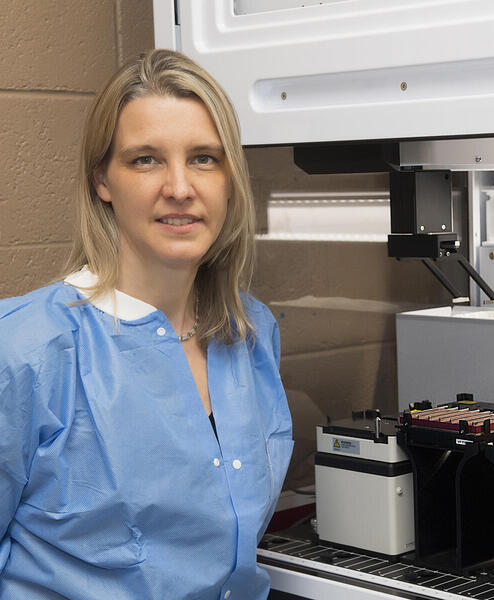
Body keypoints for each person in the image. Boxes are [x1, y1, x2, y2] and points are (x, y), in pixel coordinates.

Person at [0, 49, 293, 599]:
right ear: (102, 181)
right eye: (146, 160)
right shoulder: (26, 349)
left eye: (204, 158)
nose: (180, 187)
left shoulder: (250, 330)